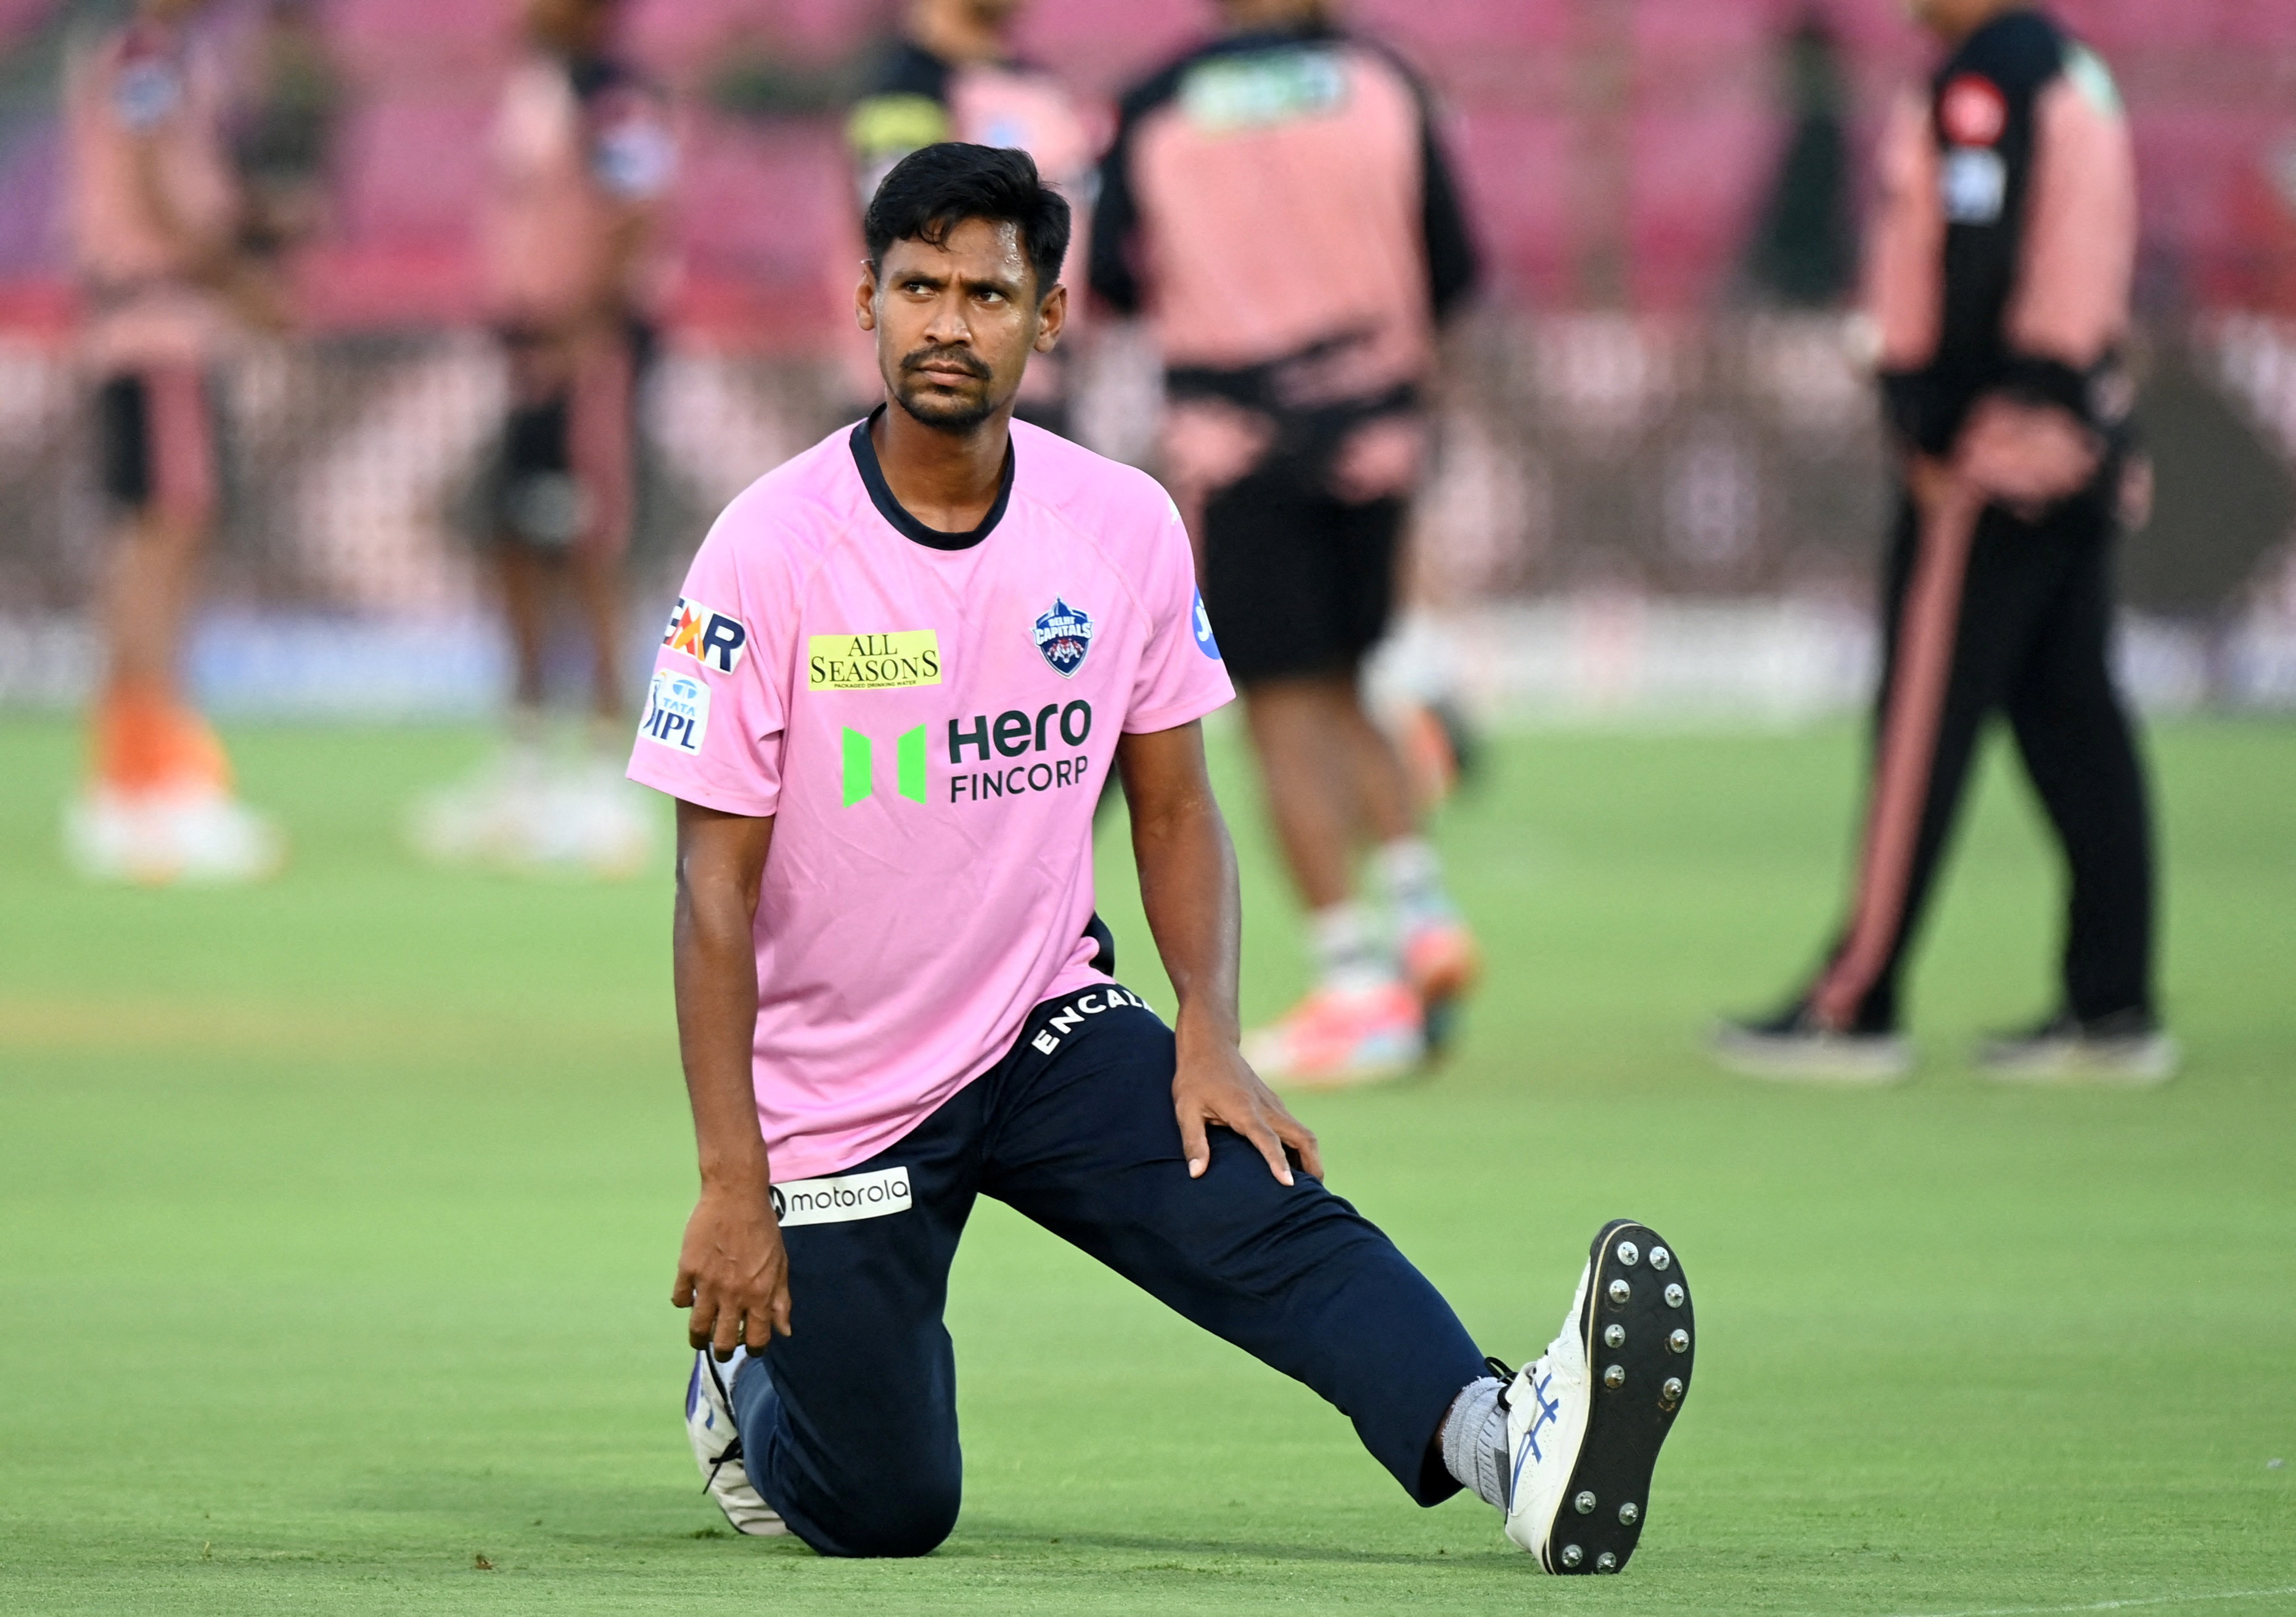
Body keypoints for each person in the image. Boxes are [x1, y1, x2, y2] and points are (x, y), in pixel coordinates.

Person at [630, 144, 1695, 1569]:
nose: (950, 323)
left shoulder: (1121, 523)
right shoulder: (767, 549)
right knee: (888, 1509)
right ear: (866, 301)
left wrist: (1208, 1026)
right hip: (839, 1101)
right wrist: (730, 1178)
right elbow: (713, 893)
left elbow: (1178, 807)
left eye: (988, 294)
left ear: (1051, 318)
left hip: (1039, 1020)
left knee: (1258, 1197)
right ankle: (746, 1386)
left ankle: (1508, 1432)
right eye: (920, 288)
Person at [1712, 0, 2173, 1085]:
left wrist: (1929, 409)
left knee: (1920, 723)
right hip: (2067, 432)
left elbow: (1977, 249)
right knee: (2073, 722)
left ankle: (1854, 1001)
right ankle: (2111, 1003)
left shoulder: (1985, 78)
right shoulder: (2067, 68)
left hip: (1993, 453)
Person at [1090, 0, 1481, 1086]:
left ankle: (1352, 980)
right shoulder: (1382, 79)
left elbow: (1115, 278)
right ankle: (1420, 908)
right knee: (1346, 677)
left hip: (1241, 443)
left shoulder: (1160, 99)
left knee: (1274, 710)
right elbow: (1451, 263)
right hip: (1377, 433)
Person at [412, 0, 674, 877]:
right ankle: (525, 763)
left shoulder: (616, 95)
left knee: (590, 547)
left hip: (587, 352)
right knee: (514, 541)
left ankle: (607, 767)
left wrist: (585, 318)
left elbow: (639, 210)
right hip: (528, 351)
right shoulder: (539, 89)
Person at [62, 0, 288, 884]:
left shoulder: (138, 57)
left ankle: (131, 773)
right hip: (162, 329)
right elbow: (162, 187)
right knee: (163, 545)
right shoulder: (146, 59)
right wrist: (239, 273)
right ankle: (147, 780)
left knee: (146, 545)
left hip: (139, 325)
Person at [841, 0, 1097, 438]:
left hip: (1039, 392)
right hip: (936, 405)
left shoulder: (1039, 87)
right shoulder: (905, 95)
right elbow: (904, 237)